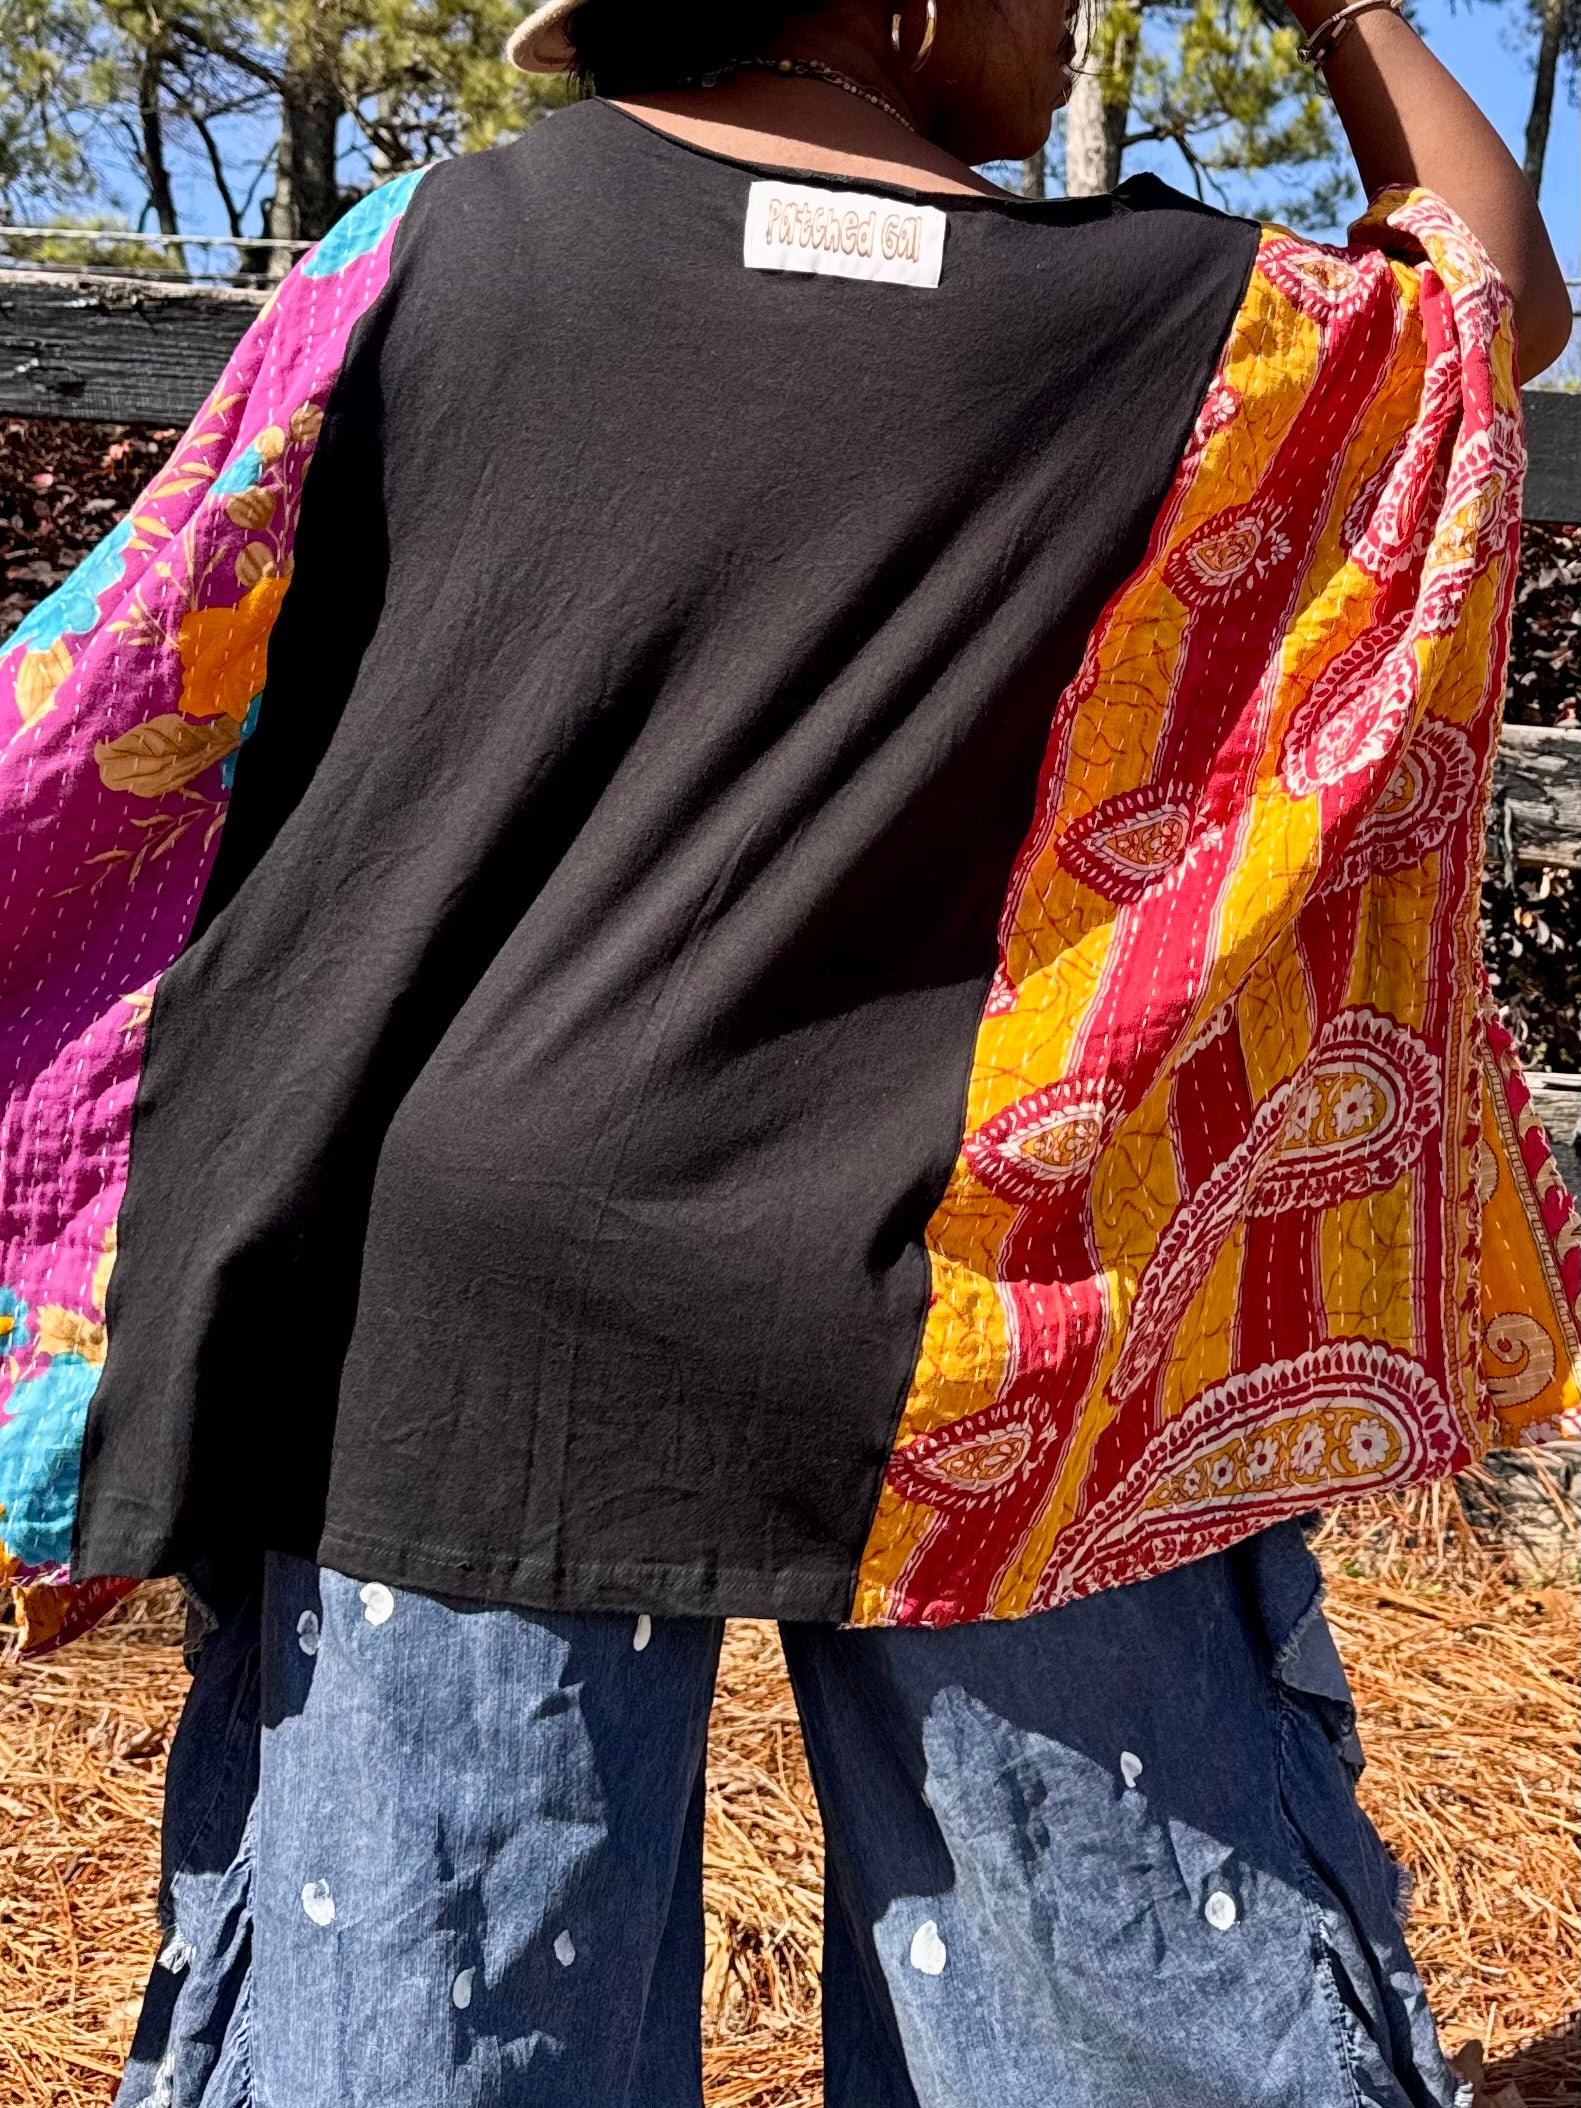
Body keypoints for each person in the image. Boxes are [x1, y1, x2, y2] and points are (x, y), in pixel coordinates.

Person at [0, 0, 1575, 2095]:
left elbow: (123, 709)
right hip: (992, 1331)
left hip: (447, 1325)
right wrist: (1335, 7)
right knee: (1126, 2026)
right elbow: (1491, 295)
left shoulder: (429, 248)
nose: (1072, 33)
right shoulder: (1194, 324)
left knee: (431, 2037)